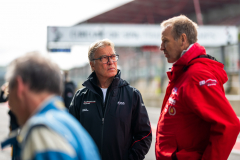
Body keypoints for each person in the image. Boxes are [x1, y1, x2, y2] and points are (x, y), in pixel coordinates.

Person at [155, 15, 240, 160]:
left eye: (165, 41)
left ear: (182, 39)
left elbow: (229, 124)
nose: (161, 47)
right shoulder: (184, 72)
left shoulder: (197, 75)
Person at [1, 53, 100, 160]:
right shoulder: (68, 125)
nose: (9, 102)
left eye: (9, 91)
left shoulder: (42, 133)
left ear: (19, 87)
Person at [69, 39, 152, 160]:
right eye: (104, 58)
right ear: (92, 64)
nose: (111, 62)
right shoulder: (80, 97)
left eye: (113, 56)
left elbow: (145, 134)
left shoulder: (132, 95)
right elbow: (70, 135)